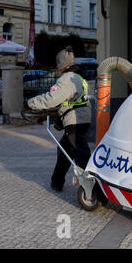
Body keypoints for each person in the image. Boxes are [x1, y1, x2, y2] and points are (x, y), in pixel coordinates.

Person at [27, 46, 91, 192]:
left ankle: (93, 187)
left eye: (58, 65)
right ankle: (57, 181)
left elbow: (52, 98)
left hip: (75, 120)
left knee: (81, 154)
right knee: (64, 150)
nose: (57, 69)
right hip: (82, 118)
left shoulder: (67, 78)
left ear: (62, 65)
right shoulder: (79, 76)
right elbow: (71, 100)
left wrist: (31, 103)